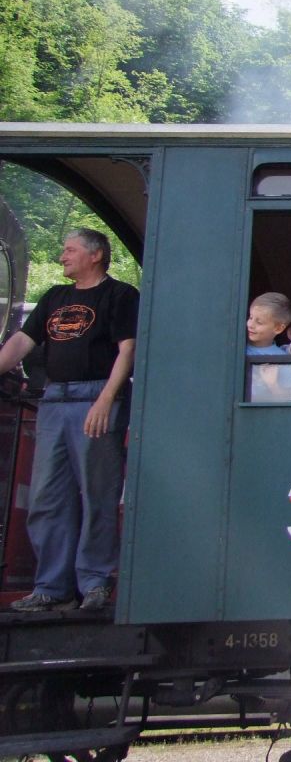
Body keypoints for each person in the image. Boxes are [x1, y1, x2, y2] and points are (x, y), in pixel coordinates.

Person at [0, 228, 138, 612]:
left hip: (95, 397)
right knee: (47, 496)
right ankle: (51, 586)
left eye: (70, 250)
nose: (62, 256)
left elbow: (128, 350)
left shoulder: (120, 295)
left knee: (97, 493)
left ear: (95, 255)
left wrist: (106, 399)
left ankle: (95, 582)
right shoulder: (54, 297)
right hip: (54, 399)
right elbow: (22, 342)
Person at [246, 292, 291, 401]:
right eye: (250, 317)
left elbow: (287, 399)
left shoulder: (282, 359)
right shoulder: (238, 345)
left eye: (259, 322)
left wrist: (272, 384)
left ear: (278, 328)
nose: (250, 325)